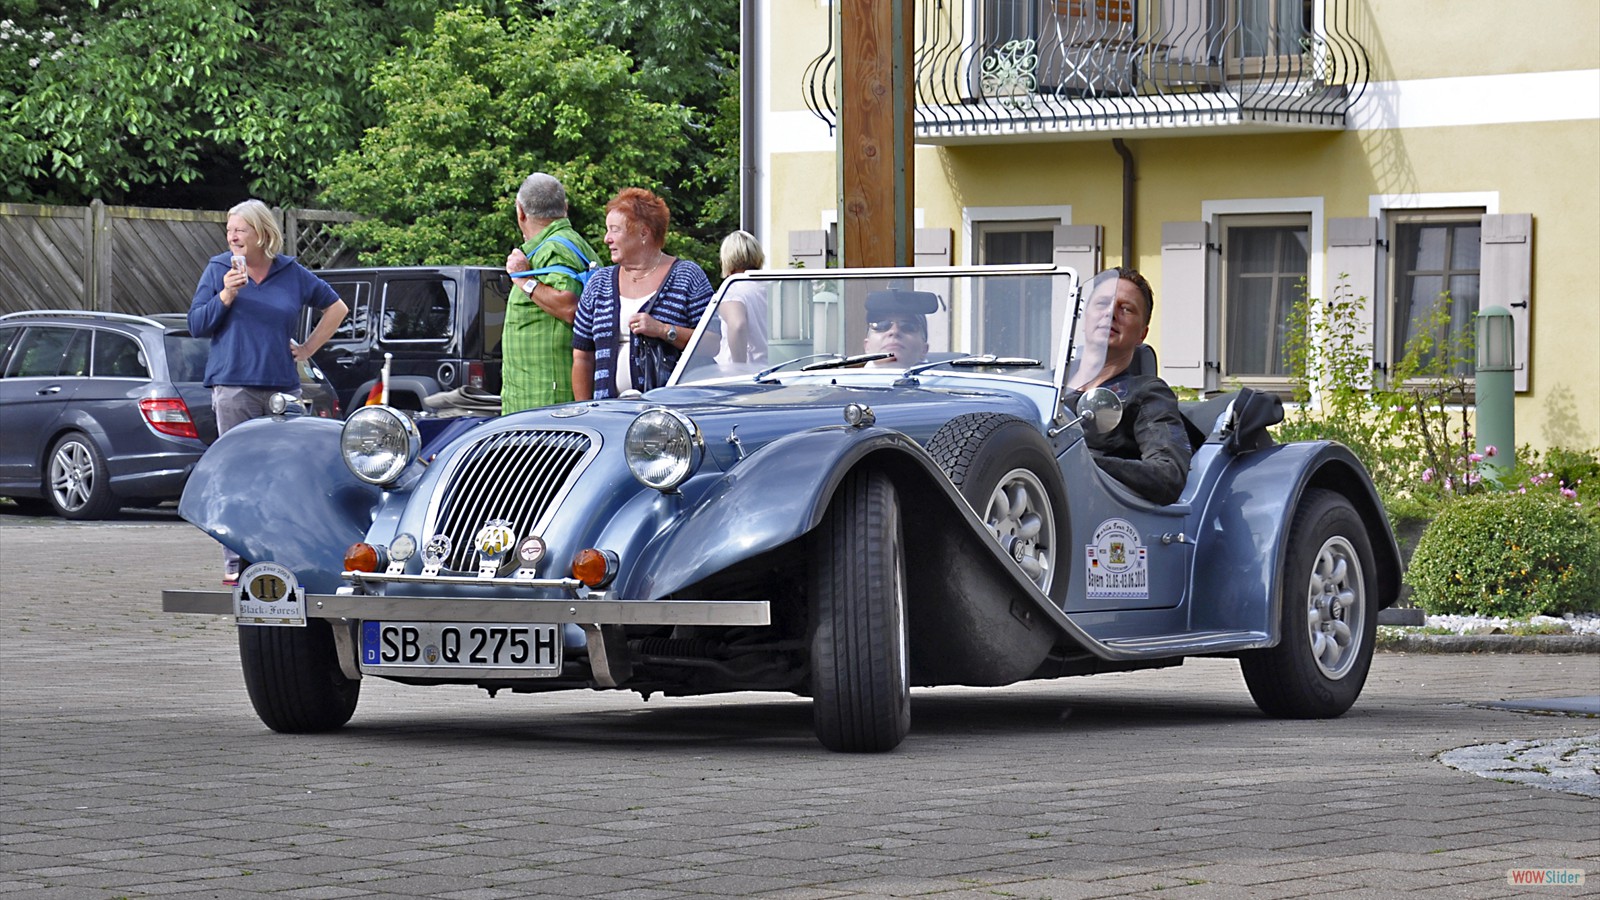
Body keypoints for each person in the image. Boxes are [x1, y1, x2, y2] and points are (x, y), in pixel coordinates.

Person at [188, 199, 348, 583]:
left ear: (261, 233)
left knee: (284, 474)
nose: (232, 235)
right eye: (229, 229)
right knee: (235, 475)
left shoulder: (291, 273)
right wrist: (225, 295)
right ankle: (236, 562)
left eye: (240, 229)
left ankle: (282, 559)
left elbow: (337, 308)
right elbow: (196, 325)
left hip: (282, 389)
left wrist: (308, 349)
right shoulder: (218, 269)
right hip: (234, 387)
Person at [1064, 267, 1192, 505]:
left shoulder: (1146, 393)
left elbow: (1168, 476)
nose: (1111, 313)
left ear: (1142, 334)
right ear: (1084, 318)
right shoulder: (1046, 386)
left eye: (1126, 309)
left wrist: (1079, 461)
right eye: (1102, 304)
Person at [572, 188, 715, 399]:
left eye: (615, 230)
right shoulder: (598, 283)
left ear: (643, 233)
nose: (606, 239)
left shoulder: (687, 276)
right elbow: (582, 357)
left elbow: (713, 343)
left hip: (670, 417)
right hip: (609, 415)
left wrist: (664, 330)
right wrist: (585, 412)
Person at [501, 173, 599, 413]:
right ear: (565, 208)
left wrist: (524, 280)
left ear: (520, 211)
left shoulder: (555, 247)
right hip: (539, 405)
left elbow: (570, 306)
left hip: (547, 410)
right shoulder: (566, 244)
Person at [714, 230, 769, 366]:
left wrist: (739, 368)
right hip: (772, 369)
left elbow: (737, 325)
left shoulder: (732, 289)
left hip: (744, 376)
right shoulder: (771, 286)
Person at [862, 289, 935, 367]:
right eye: (881, 325)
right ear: (867, 346)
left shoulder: (944, 379)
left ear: (924, 349)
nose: (894, 331)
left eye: (908, 326)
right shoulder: (849, 378)